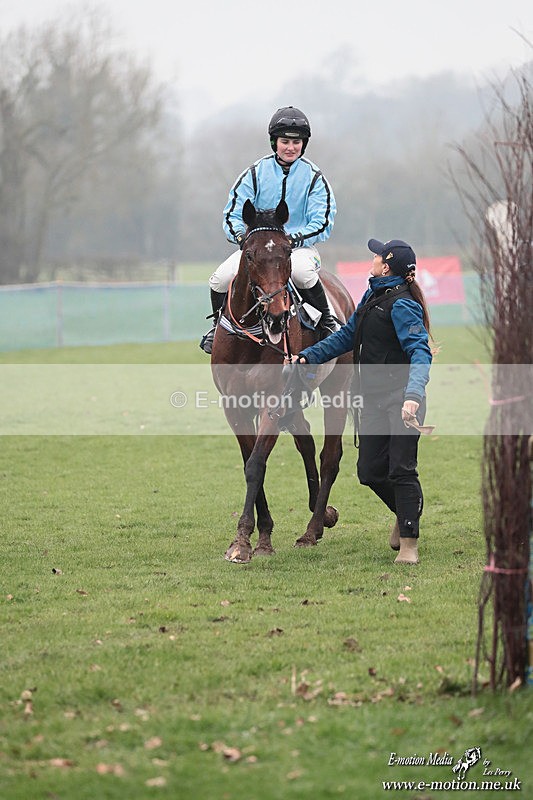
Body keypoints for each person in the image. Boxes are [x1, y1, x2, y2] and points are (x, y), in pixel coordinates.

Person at [288, 239, 433, 564]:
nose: (374, 257)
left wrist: (413, 396)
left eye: (378, 255)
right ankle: (407, 509)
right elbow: (345, 336)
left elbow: (420, 352)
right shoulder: (371, 296)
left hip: (402, 399)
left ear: (387, 266)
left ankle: (409, 545)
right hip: (372, 399)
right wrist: (309, 355)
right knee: (369, 471)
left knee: (401, 469)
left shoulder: (403, 305)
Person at [200, 106, 338, 353]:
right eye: (285, 141)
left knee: (303, 273)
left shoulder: (314, 177)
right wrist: (242, 238)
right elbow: (232, 214)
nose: (290, 147)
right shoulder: (255, 173)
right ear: (274, 142)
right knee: (219, 280)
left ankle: (328, 323)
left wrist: (294, 239)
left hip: (299, 248)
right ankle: (217, 328)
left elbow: (323, 221)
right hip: (257, 248)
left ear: (303, 144)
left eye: (296, 142)